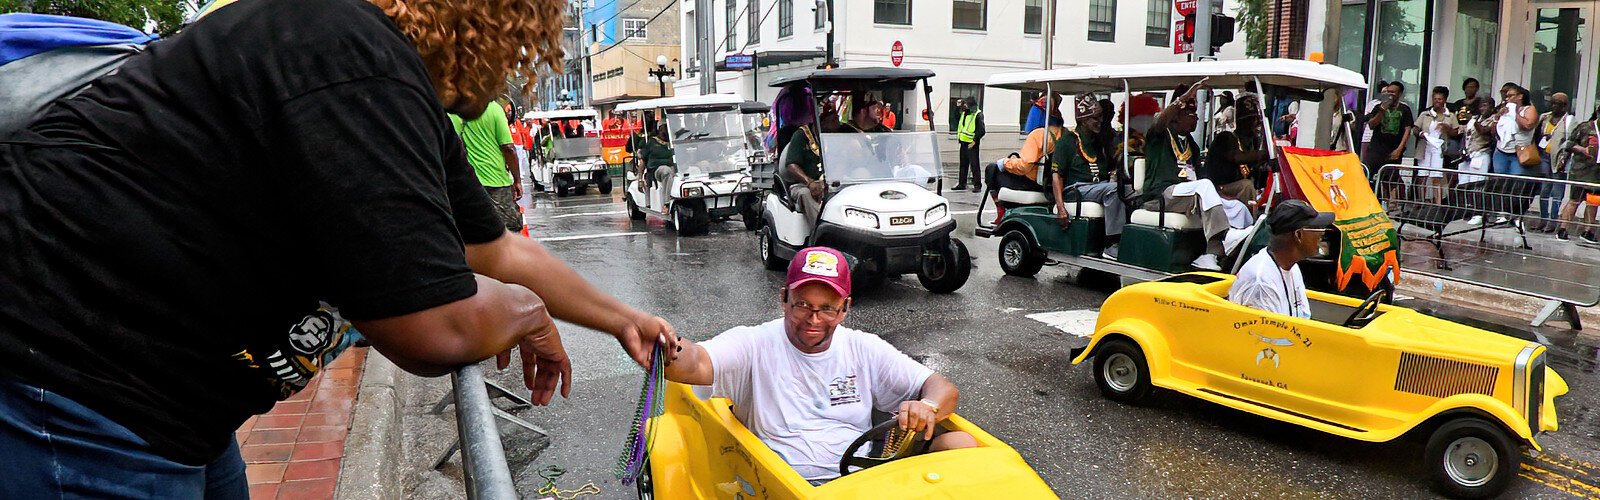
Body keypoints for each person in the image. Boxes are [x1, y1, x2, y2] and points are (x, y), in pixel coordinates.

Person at [0, 0, 680, 497]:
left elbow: (497, 248)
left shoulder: (390, 86)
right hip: (70, 391)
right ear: (495, 22)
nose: (520, 66)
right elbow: (431, 327)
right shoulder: (353, 56)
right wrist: (526, 314)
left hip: (172, 411)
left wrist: (621, 318)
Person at [660, 246, 977, 483]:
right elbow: (695, 362)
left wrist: (929, 407)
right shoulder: (753, 344)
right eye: (802, 306)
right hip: (783, 482)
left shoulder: (862, 348)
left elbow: (942, 388)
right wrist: (667, 346)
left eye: (827, 308)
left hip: (862, 476)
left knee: (960, 443)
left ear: (844, 309)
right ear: (784, 299)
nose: (813, 320)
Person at [1142, 78, 1253, 271]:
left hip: (1190, 196)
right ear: (1176, 116)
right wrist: (1181, 99)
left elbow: (1201, 178)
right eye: (1190, 113)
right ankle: (1218, 244)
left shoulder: (1191, 143)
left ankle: (1231, 254)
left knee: (1238, 208)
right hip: (1160, 196)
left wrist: (1222, 196)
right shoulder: (1159, 135)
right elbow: (1160, 121)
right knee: (1204, 186)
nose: (1196, 117)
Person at [1228, 200, 1334, 318]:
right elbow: (1264, 334)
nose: (1322, 234)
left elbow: (1304, 318)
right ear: (1298, 235)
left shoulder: (1293, 267)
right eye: (1317, 228)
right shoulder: (1261, 282)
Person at [1054, 95, 1128, 256]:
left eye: (1101, 116)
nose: (1100, 121)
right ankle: (1111, 243)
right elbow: (1057, 176)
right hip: (1076, 189)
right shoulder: (1067, 141)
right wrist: (1061, 208)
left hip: (1097, 187)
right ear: (1083, 119)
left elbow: (1110, 166)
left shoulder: (1098, 141)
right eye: (1096, 117)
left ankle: (1128, 240)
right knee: (1114, 190)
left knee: (1129, 190)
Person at [452, 101, 524, 232]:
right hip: (497, 182)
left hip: (470, 183)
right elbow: (508, 148)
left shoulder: (459, 111)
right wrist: (517, 180)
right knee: (510, 228)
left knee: (476, 231)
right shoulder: (494, 109)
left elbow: (455, 144)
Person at [987, 108, 1063, 224]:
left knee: (991, 169)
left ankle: (1001, 211)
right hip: (1052, 183)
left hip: (1034, 183)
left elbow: (1024, 166)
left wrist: (1005, 163)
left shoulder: (1039, 134)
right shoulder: (1065, 134)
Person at [1204, 93, 1270, 202]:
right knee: (1246, 186)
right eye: (1253, 120)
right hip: (1218, 188)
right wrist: (1264, 154)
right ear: (1242, 122)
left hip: (1235, 188)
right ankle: (1249, 219)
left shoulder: (1252, 142)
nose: (1257, 124)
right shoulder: (1226, 137)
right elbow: (1236, 157)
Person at [1362, 81, 1414, 200]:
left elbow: (1407, 130)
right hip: (1376, 147)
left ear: (1399, 94)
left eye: (1393, 92)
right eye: (1388, 92)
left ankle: (1391, 203)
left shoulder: (1404, 109)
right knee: (1367, 171)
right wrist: (1382, 110)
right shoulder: (1378, 107)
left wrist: (1399, 149)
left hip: (1393, 148)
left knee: (1390, 178)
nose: (1390, 95)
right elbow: (1371, 125)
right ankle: (1367, 199)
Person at [1558, 103, 1600, 243]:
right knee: (1575, 200)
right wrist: (1583, 149)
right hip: (1581, 171)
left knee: (1593, 202)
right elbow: (1567, 144)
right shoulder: (1585, 127)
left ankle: (1587, 231)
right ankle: (1562, 229)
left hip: (1597, 173)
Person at [1535, 92, 1575, 232]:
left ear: (1564, 106)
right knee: (1544, 190)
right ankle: (1543, 219)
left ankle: (1553, 221)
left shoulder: (1569, 121)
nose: (1553, 106)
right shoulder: (1545, 118)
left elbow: (1570, 141)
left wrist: (1565, 158)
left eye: (1557, 104)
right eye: (1551, 103)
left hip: (1559, 160)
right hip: (1545, 156)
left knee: (1557, 192)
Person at [1413, 86, 1461, 204]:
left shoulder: (1450, 116)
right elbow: (1415, 129)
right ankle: (1421, 202)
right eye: (1435, 99)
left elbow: (1456, 132)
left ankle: (1437, 203)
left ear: (1444, 100)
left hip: (1439, 148)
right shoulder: (1426, 114)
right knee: (1422, 175)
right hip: (1424, 147)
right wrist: (1420, 133)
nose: (1437, 102)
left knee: (1436, 176)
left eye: (1439, 99)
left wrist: (1447, 129)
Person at [782, 123, 825, 232]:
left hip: (830, 181)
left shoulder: (835, 134)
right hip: (803, 183)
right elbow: (791, 165)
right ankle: (820, 231)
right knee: (805, 193)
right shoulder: (801, 135)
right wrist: (809, 181)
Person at [636, 123, 677, 208]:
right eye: (663, 129)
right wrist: (640, 178)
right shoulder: (652, 142)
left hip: (676, 168)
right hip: (657, 170)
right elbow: (642, 159)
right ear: (659, 130)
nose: (665, 131)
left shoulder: (674, 141)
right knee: (666, 171)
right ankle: (667, 203)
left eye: (666, 128)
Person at [954, 97, 985, 192]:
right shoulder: (965, 113)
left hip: (972, 144)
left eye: (966, 104)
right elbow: (956, 118)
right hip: (963, 143)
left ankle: (977, 185)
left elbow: (981, 130)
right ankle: (962, 183)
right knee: (963, 165)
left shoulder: (977, 114)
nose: (965, 105)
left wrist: (974, 141)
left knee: (974, 165)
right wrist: (957, 107)